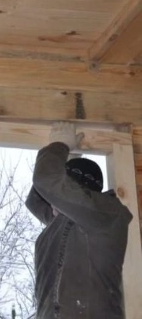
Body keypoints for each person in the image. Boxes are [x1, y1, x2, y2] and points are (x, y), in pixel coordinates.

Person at [26, 122, 133, 319]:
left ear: (77, 192)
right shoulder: (68, 222)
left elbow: (46, 181)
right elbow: (35, 200)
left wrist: (59, 146)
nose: (52, 205)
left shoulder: (106, 213)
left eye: (61, 196)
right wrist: (68, 159)